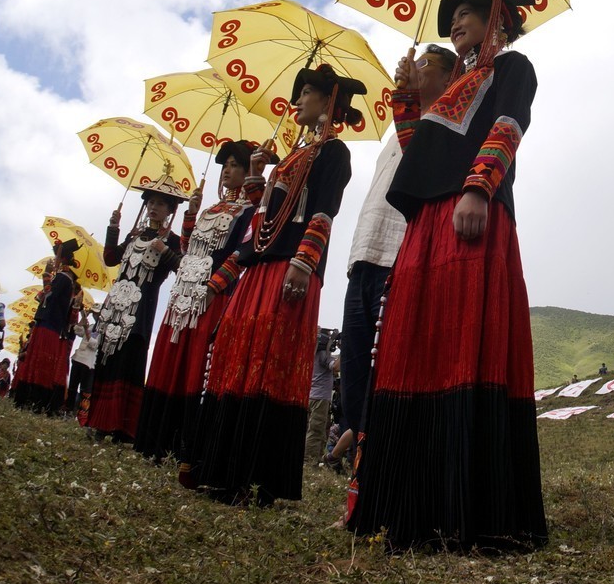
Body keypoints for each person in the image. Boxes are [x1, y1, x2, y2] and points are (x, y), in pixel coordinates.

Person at [349, 0, 548, 551]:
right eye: (453, 16)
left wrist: (479, 187)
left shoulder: (512, 67)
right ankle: (411, 502)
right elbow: (417, 152)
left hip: (468, 210)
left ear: (494, 20)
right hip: (427, 222)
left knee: (463, 341)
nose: (455, 23)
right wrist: (407, 98)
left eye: (466, 14)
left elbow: (509, 124)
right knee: (417, 343)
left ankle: (471, 507)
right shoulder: (454, 85)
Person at [185, 64, 360, 505]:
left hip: (290, 269)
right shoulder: (292, 156)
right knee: (239, 358)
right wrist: (258, 179)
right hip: (261, 269)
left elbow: (323, 211)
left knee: (269, 364)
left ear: (328, 100)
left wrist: (304, 261)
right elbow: (264, 222)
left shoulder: (333, 152)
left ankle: (256, 479)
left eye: (306, 92)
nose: (297, 100)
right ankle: (223, 468)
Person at [328, 44, 456, 474]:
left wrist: (404, 97)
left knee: (388, 365)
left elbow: (422, 165)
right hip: (364, 252)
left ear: (448, 77)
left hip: (399, 253)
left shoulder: (444, 121)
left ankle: (383, 465)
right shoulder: (395, 132)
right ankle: (362, 448)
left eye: (425, 65)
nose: (414, 69)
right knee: (354, 366)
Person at [135, 140, 256, 462]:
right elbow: (188, 250)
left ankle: (187, 444)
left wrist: (215, 286)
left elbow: (240, 254)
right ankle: (157, 440)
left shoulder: (249, 212)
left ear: (248, 171)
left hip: (211, 297)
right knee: (170, 358)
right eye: (225, 165)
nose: (227, 171)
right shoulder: (210, 210)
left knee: (197, 364)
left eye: (234, 165)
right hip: (183, 294)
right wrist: (191, 214)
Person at [86, 173, 185, 442]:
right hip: (115, 307)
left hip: (140, 311)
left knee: (129, 361)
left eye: (160, 203)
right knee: (107, 358)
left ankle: (123, 427)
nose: (154, 207)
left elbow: (182, 268)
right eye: (151, 202)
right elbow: (110, 259)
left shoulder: (172, 240)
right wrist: (113, 227)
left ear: (170, 210)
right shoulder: (134, 235)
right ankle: (98, 421)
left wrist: (164, 251)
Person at [12, 240, 80, 414]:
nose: (53, 260)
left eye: (56, 256)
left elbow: (48, 296)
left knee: (41, 359)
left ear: (61, 258)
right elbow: (42, 297)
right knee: (36, 358)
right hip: (47, 321)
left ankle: (35, 399)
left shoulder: (64, 278)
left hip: (50, 324)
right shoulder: (62, 278)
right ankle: (28, 398)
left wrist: (47, 275)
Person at [305, 328, 339, 467]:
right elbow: (336, 367)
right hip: (320, 398)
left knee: (318, 429)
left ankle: (317, 458)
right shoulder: (323, 354)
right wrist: (345, 350)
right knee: (316, 430)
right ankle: (310, 460)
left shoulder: (311, 353)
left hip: (311, 396)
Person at [66, 311, 98, 421]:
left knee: (85, 392)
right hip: (78, 358)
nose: (96, 316)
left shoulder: (103, 331)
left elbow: (94, 345)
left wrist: (86, 330)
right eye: (94, 314)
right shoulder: (91, 326)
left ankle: (81, 416)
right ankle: (68, 411)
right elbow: (77, 331)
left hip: (88, 363)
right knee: (72, 388)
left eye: (97, 314)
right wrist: (84, 318)